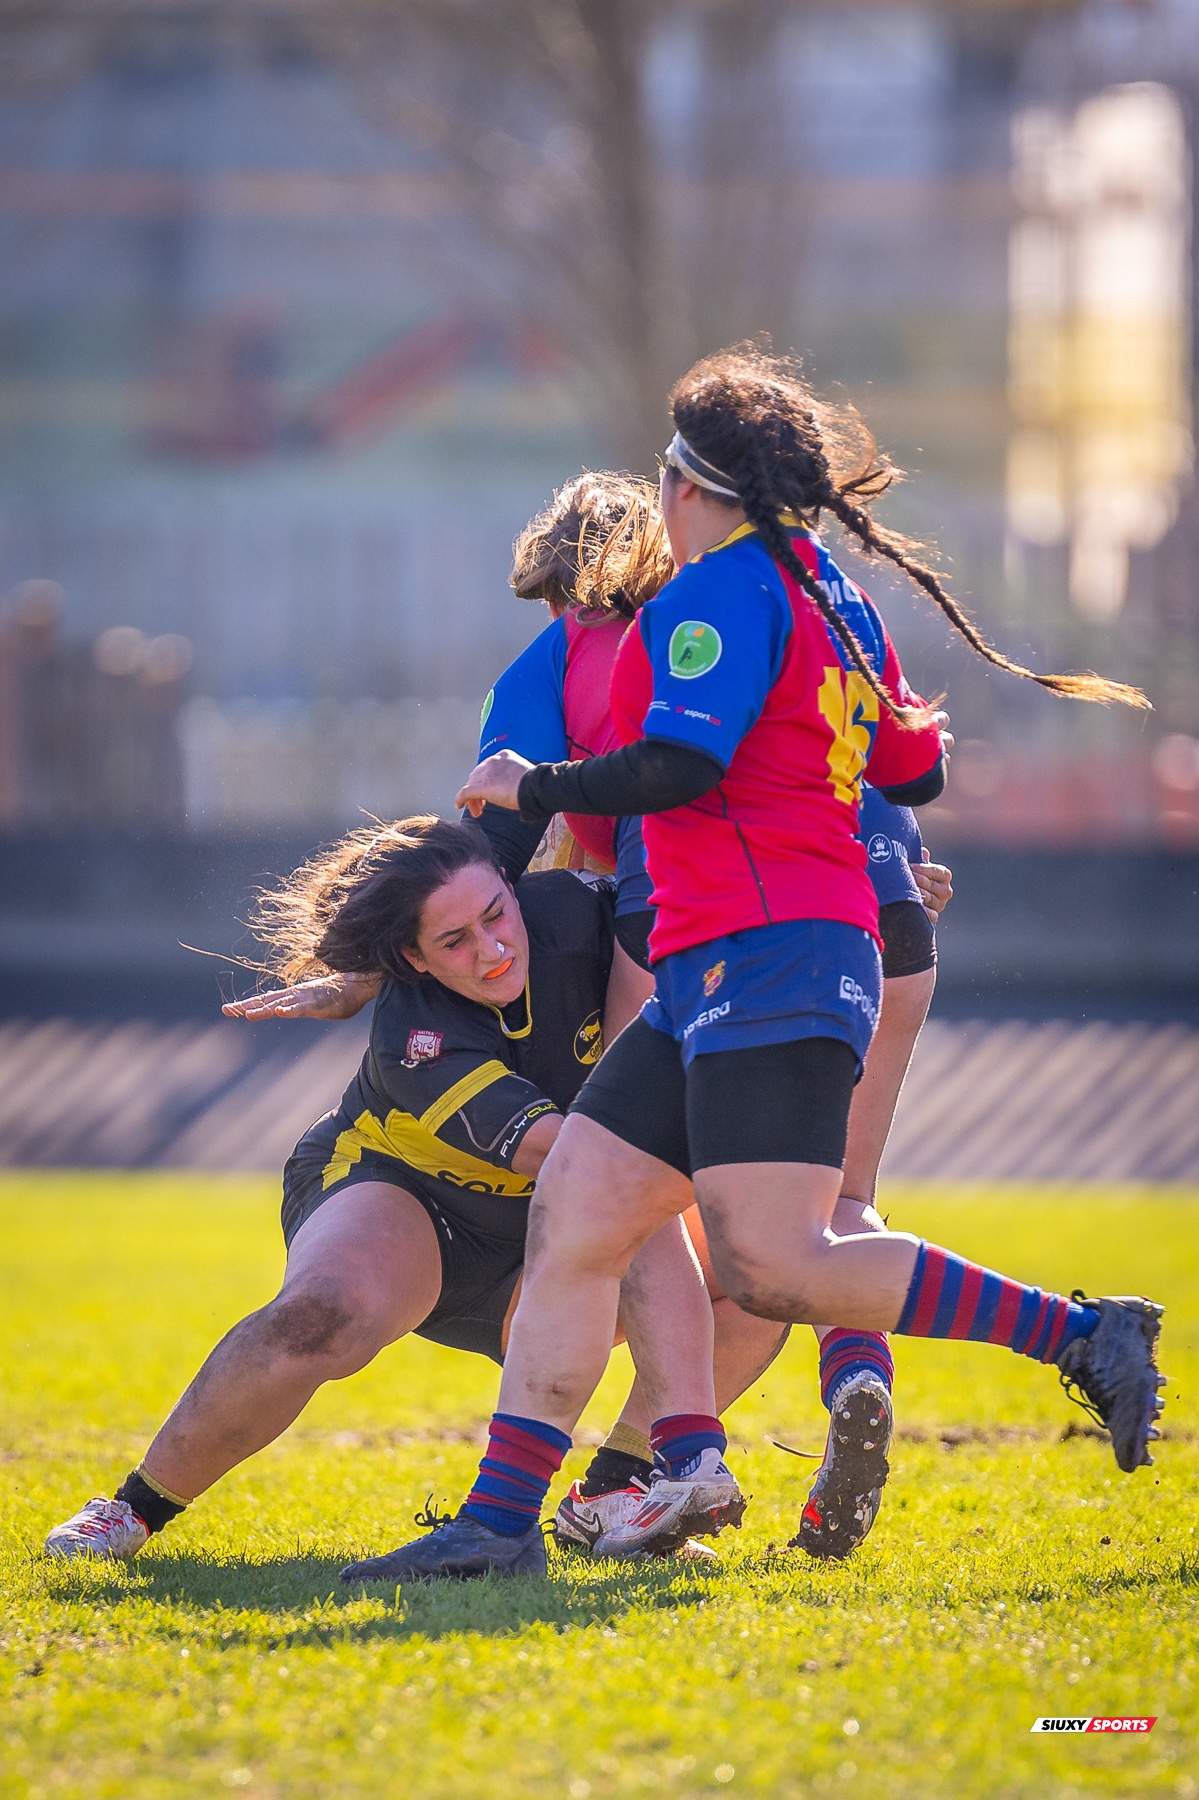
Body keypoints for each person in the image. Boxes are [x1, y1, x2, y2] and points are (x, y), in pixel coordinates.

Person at [343, 342, 1163, 1586]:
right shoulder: (832, 591)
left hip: (769, 951)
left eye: (667, 481)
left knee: (775, 1263)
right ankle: (498, 1524)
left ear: (691, 487)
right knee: (581, 1210)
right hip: (728, 958)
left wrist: (534, 783)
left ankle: (1087, 1332)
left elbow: (683, 767)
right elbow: (913, 771)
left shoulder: (716, 592)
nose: (659, 506)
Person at [473, 468, 955, 1559]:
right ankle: (841, 1383)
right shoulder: (790, 604)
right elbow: (886, 769)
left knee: (635, 1220)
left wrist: (371, 952)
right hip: (877, 927)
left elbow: (494, 842)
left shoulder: (581, 653)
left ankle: (660, 1469)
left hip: (719, 936)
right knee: (837, 1204)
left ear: (562, 582)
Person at [43, 817, 727, 1564]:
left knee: (754, 1267)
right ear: (411, 960)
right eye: (454, 941)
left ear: (512, 886)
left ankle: (620, 1492)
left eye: (496, 915)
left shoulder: (576, 911)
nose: (492, 950)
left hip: (542, 1231)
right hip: (405, 1194)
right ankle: (133, 1508)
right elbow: (575, 1158)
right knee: (325, 1315)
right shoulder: (415, 1033)